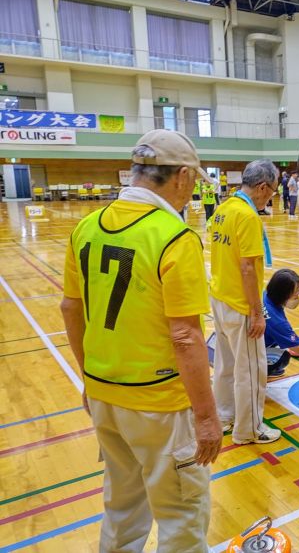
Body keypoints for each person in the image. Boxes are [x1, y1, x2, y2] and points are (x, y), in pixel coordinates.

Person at [60, 129, 221, 551]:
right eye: (193, 183)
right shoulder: (173, 235)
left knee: (122, 507)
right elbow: (186, 335)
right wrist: (206, 418)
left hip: (103, 395)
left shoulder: (85, 228)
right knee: (181, 515)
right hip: (159, 406)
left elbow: (70, 310)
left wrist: (91, 379)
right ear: (182, 177)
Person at [210, 158, 282, 445]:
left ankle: (225, 416)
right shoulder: (248, 216)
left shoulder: (223, 209)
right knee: (250, 371)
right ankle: (250, 429)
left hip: (219, 298)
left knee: (226, 366)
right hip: (240, 305)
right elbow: (247, 268)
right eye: (273, 191)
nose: (272, 196)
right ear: (263, 187)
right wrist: (256, 313)